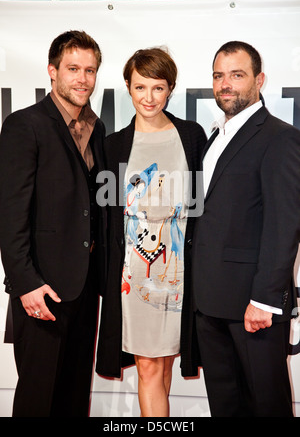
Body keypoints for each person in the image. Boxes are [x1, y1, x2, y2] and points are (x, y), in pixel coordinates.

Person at [0, 30, 106, 417]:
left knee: (74, 398)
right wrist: (26, 283)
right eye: (73, 68)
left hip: (83, 288)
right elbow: (10, 214)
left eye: (90, 70)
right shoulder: (24, 125)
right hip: (40, 290)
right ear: (52, 71)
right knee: (37, 400)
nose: (82, 78)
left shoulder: (97, 128)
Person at [96, 47, 206, 417]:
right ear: (128, 87)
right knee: (148, 366)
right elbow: (106, 216)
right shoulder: (112, 146)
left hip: (179, 274)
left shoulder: (191, 137)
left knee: (164, 364)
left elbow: (201, 206)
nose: (149, 97)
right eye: (140, 87)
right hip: (135, 278)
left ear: (170, 89)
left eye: (158, 88)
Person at [192, 40, 300, 417]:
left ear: (260, 80)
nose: (226, 84)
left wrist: (265, 300)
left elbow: (284, 224)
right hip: (210, 303)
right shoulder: (214, 140)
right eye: (219, 76)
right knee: (226, 406)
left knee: (266, 405)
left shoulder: (280, 137)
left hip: (254, 308)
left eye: (237, 75)